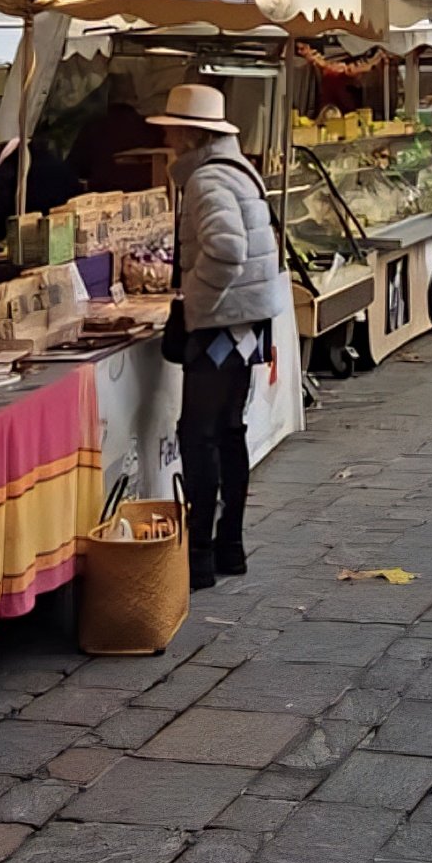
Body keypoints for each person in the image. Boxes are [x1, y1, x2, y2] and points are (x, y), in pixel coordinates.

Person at [155, 83, 289, 592]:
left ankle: (201, 557)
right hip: (250, 320)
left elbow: (227, 249)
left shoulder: (207, 181)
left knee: (200, 435)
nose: (166, 135)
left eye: (171, 126)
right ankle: (230, 546)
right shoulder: (236, 170)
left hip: (220, 322)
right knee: (230, 431)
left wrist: (196, 298)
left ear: (189, 132)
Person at [68, 66, 162, 191]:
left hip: (104, 199)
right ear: (135, 97)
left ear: (108, 97)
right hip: (147, 196)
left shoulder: (93, 128)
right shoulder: (151, 128)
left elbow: (76, 168)